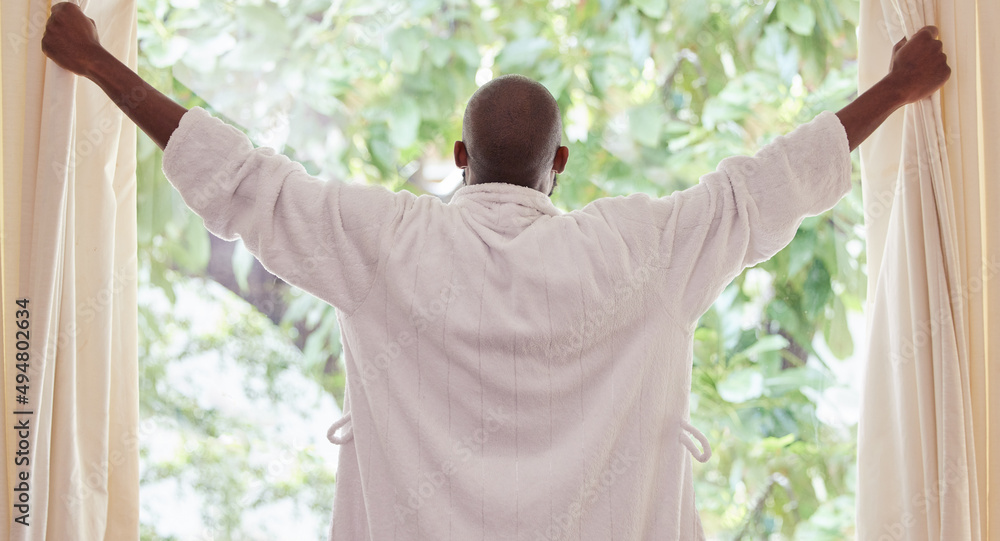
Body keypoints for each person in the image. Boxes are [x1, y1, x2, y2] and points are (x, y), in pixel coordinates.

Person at [41, 4, 950, 540]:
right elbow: (770, 185)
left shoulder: (386, 244)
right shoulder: (641, 250)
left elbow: (240, 177)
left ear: (454, 154)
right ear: (561, 166)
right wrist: (901, 85)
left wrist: (92, 60)